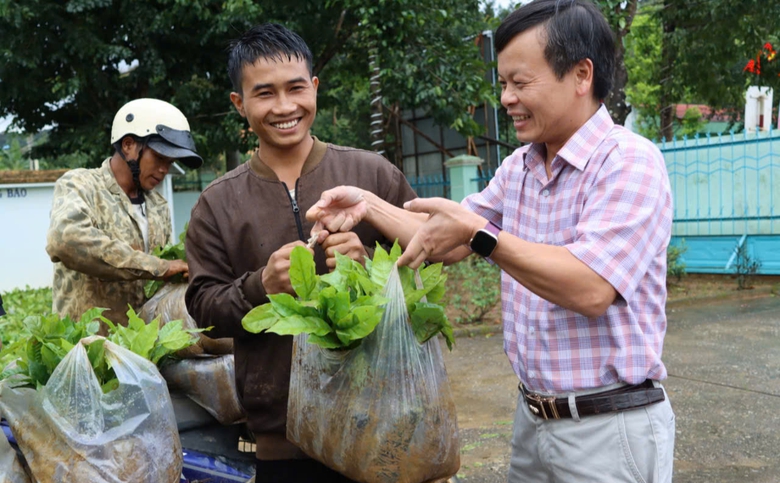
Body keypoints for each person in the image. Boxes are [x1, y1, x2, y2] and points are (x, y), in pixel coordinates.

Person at [307, 1, 676, 481]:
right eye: (503, 84)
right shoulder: (520, 167)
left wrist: (481, 235)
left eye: (521, 83)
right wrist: (367, 206)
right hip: (535, 419)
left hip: (607, 428)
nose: (506, 98)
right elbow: (450, 239)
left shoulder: (628, 163)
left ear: (581, 75)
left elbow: (590, 287)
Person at [184, 23, 416, 483]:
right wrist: (260, 286)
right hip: (282, 445)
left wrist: (370, 266)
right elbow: (203, 307)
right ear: (240, 105)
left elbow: (427, 269)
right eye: (265, 94)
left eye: (295, 89)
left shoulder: (372, 175)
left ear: (314, 88)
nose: (285, 107)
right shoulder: (217, 203)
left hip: (383, 423)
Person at [46, 98, 201, 328]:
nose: (164, 169)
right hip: (88, 350)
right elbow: (65, 240)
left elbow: (162, 280)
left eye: (170, 162)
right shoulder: (81, 185)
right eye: (159, 157)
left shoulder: (158, 206)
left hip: (141, 351)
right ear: (128, 145)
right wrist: (157, 267)